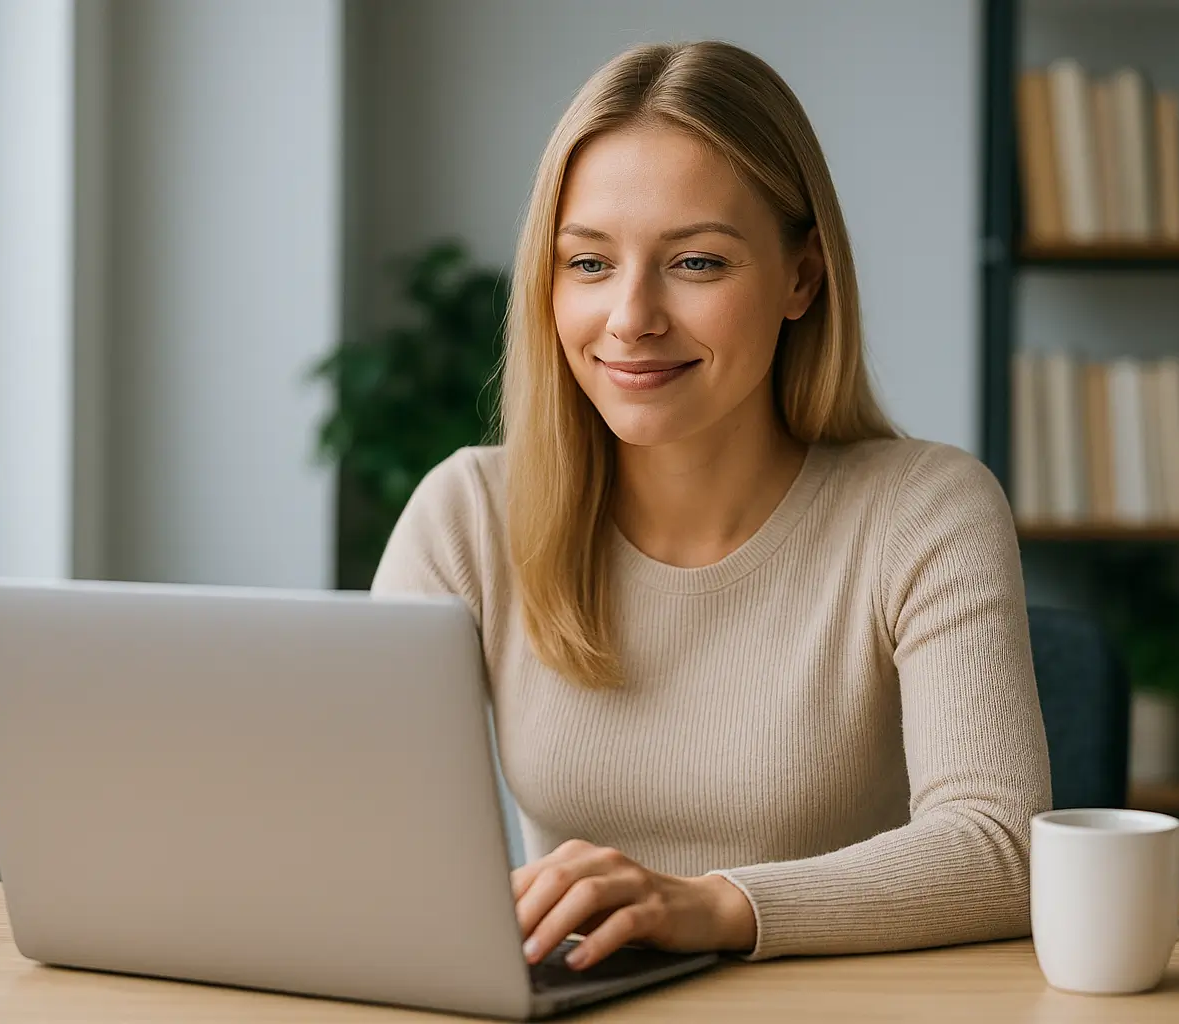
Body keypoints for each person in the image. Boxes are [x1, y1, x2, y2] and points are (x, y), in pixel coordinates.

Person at [372, 40, 1051, 970]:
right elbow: (363, 847)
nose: (631, 317)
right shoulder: (466, 516)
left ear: (802, 278)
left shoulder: (926, 512)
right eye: (589, 263)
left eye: (695, 263)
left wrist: (712, 906)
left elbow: (1002, 850)